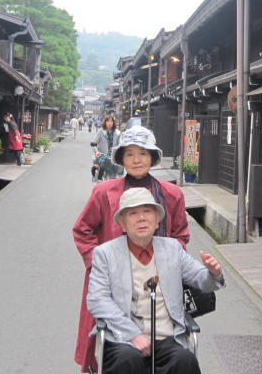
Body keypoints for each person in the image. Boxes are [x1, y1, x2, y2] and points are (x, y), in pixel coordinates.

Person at [73, 125, 190, 373]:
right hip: (115, 281)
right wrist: (99, 266)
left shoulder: (172, 194)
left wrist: (170, 263)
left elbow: (180, 235)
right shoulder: (104, 192)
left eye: (143, 153)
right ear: (121, 159)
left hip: (157, 281)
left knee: (179, 357)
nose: (136, 160)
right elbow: (83, 230)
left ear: (153, 157)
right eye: (129, 154)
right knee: (119, 348)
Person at [88, 188, 223, 374]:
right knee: (128, 360)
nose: (141, 218)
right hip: (123, 338)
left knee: (184, 360)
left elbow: (202, 280)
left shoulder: (172, 249)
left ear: (157, 219)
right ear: (122, 223)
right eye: (133, 213)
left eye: (147, 211)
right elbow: (97, 299)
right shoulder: (105, 254)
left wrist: (213, 273)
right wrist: (133, 335)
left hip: (167, 337)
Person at [90, 115, 120, 181]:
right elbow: (93, 143)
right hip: (102, 155)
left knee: (117, 173)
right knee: (102, 167)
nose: (110, 123)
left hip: (113, 156)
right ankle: (98, 179)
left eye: (111, 121)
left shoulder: (117, 133)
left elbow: (120, 145)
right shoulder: (101, 132)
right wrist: (96, 151)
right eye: (108, 121)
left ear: (113, 123)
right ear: (105, 122)